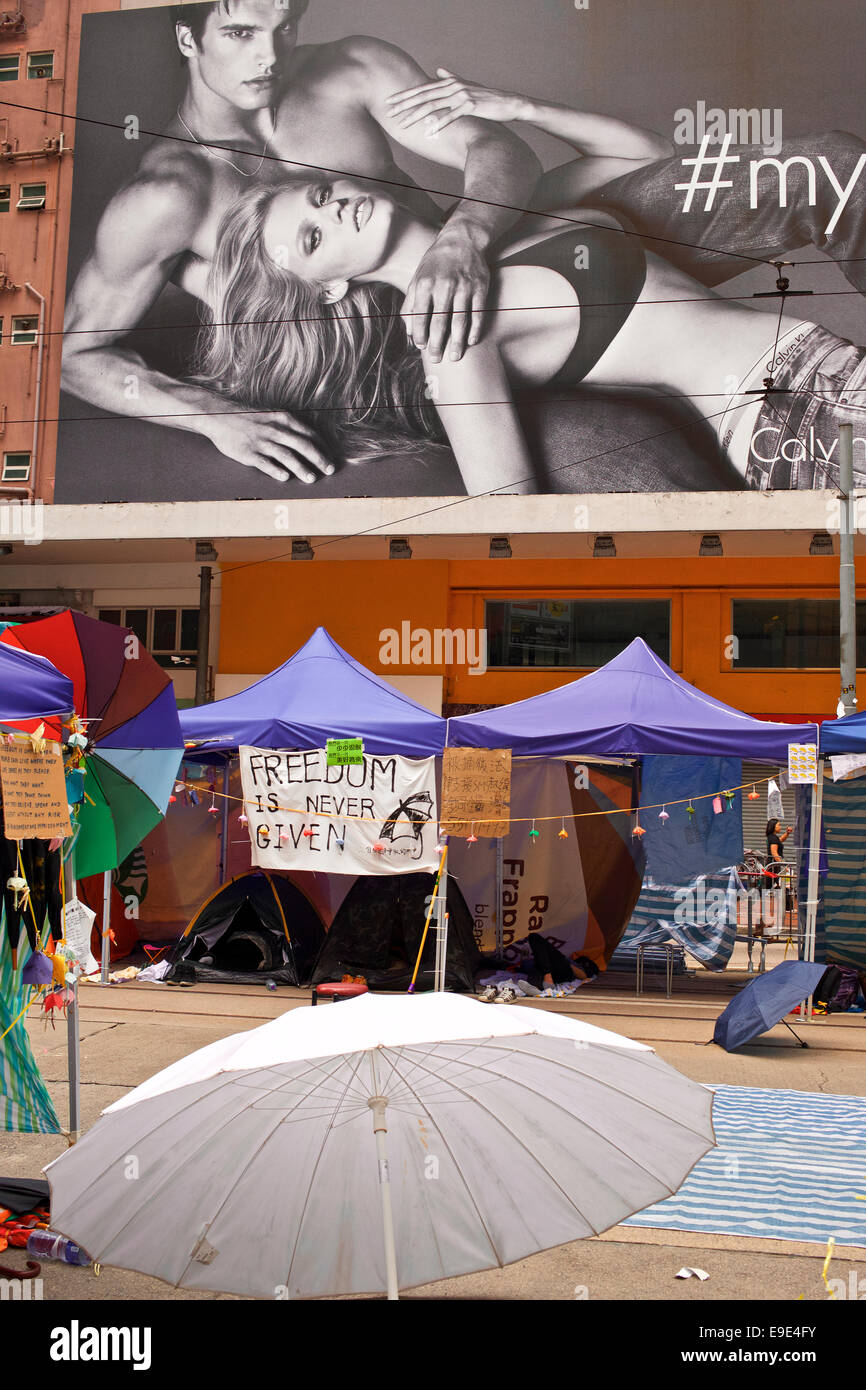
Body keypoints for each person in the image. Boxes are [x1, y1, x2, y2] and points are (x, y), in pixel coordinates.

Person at [200, 83, 866, 494]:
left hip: (827, 364)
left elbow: (652, 158)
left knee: (842, 165)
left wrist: (521, 107)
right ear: (329, 289)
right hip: (785, 416)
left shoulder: (506, 218)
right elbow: (505, 510)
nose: (335, 209)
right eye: (313, 238)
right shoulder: (446, 335)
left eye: (321, 196)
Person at [60, 0, 541, 483]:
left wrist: (461, 238)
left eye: (284, 27)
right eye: (241, 33)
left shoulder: (355, 69)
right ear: (188, 39)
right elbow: (72, 356)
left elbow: (497, 148)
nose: (270, 56)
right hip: (397, 383)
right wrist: (213, 416)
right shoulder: (168, 196)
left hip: (493, 308)